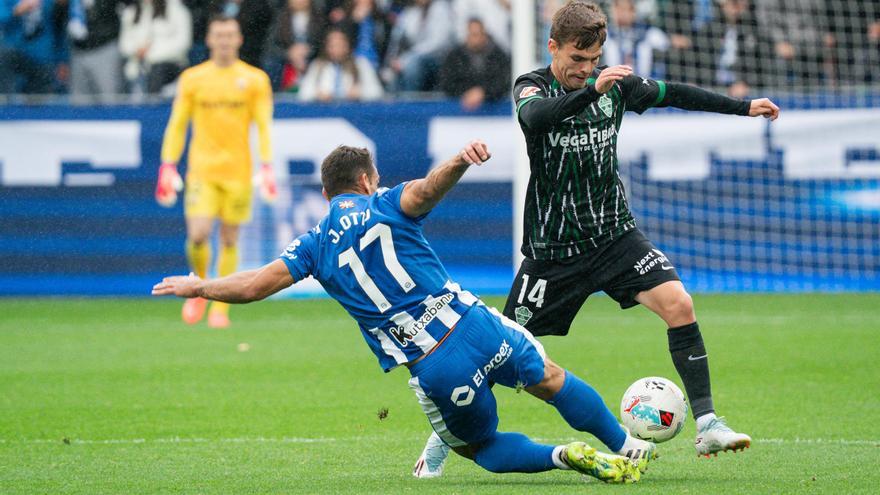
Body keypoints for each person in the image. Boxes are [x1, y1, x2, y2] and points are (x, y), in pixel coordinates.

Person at [414, 0, 779, 477]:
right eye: (576, 59)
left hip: (614, 236)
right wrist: (592, 91)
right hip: (553, 252)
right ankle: (442, 438)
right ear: (553, 47)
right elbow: (537, 118)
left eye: (593, 60)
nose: (585, 69)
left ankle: (708, 423)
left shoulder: (614, 85)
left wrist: (742, 107)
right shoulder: (531, 86)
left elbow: (672, 93)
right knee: (497, 353)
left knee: (679, 304)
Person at [152, 140, 656, 484]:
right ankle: (625, 443)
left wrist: (201, 286)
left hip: (433, 363)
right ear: (367, 180)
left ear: (326, 194)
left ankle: (561, 456)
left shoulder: (313, 246)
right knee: (550, 378)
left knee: (478, 447)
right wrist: (458, 161)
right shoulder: (387, 202)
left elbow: (255, 286)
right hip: (472, 322)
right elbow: (428, 189)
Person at [156, 14, 277, 328]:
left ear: (239, 39)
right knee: (198, 235)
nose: (224, 41)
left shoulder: (255, 80)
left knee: (229, 240)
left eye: (230, 35)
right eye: (219, 35)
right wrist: (168, 164)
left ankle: (221, 307)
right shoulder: (193, 79)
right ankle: (199, 287)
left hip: (238, 172)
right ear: (209, 40)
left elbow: (264, 126)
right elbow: (178, 124)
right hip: (202, 172)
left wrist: (267, 165)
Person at [119, 0, 193, 95]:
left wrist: (151, 53)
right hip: (136, 70)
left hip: (169, 68)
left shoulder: (177, 10)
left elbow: (184, 43)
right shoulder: (130, 12)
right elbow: (124, 45)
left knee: (158, 71)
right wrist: (137, 50)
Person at [438, 18, 510, 111]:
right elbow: (447, 82)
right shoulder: (454, 56)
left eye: (479, 34)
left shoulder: (498, 55)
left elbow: (504, 82)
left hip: (495, 109)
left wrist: (483, 92)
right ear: (467, 35)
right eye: (473, 35)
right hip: (459, 111)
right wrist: (467, 93)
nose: (477, 39)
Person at [298, 28, 383, 102]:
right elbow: (303, 93)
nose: (337, 49)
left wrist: (360, 93)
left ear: (347, 45)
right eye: (332, 45)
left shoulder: (360, 64)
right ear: (327, 47)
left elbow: (377, 92)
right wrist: (317, 94)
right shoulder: (318, 65)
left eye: (340, 44)